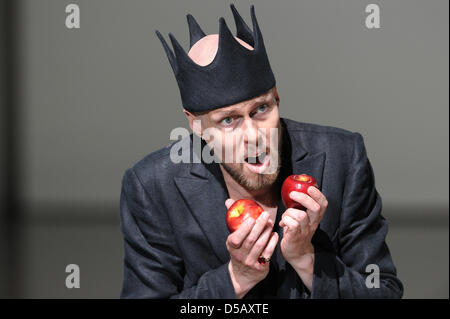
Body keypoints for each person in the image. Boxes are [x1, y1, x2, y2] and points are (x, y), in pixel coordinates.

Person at [119, 4, 403, 298]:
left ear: (277, 98)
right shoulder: (151, 186)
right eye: (228, 120)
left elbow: (384, 292)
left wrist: (308, 260)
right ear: (197, 126)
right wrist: (235, 279)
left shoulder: (342, 158)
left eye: (262, 109)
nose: (254, 136)